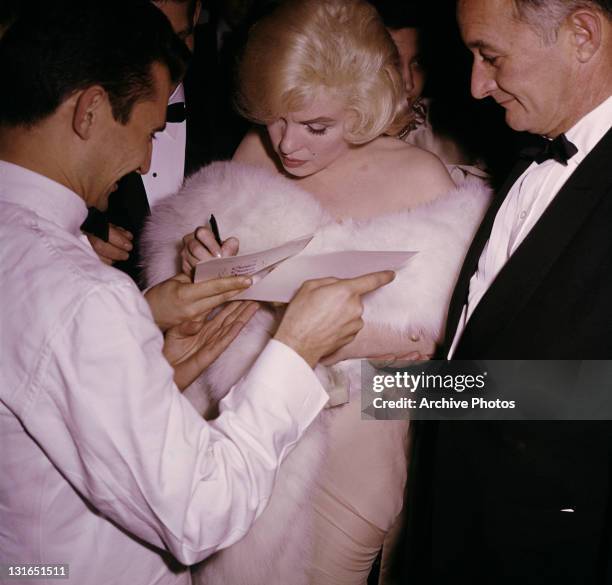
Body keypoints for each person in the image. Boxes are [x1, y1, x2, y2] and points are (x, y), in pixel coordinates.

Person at [0, 3, 396, 584]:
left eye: (315, 124)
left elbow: (44, 391)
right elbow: (201, 512)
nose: (145, 160)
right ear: (89, 111)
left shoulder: (44, 264)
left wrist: (147, 348)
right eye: (147, 133)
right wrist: (293, 350)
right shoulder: (84, 294)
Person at [142, 0, 491, 582]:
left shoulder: (421, 179)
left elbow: (431, 350)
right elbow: (209, 313)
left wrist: (317, 344)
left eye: (315, 126)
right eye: (275, 117)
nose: (288, 144)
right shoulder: (253, 154)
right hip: (240, 430)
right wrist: (197, 265)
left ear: (360, 110)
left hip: (356, 448)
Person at [392, 0, 612, 583]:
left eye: (491, 57)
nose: (477, 85)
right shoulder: (533, 144)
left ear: (583, 35)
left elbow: (596, 397)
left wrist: (376, 388)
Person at [82, 0, 218, 287]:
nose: (166, 64)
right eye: (144, 45)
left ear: (196, 14)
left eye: (178, 40)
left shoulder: (236, 109)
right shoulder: (77, 107)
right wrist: (74, 244)